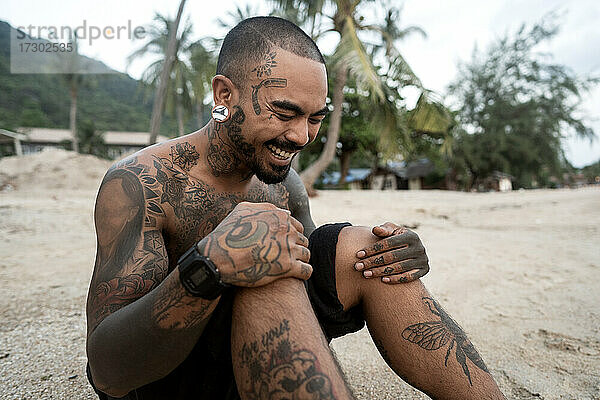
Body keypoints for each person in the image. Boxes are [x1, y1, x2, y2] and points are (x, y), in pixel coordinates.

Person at [85, 16, 505, 400]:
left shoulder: (286, 185)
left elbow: (313, 281)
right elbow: (108, 372)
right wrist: (209, 266)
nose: (302, 136)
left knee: (362, 249)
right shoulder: (140, 183)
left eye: (315, 118)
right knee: (268, 260)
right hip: (171, 382)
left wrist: (400, 256)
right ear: (224, 94)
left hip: (256, 361)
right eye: (284, 112)